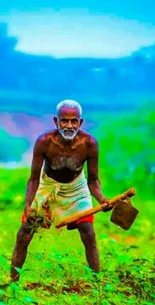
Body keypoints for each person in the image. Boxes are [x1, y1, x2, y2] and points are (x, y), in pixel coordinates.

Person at [11, 99, 110, 282]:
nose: (69, 125)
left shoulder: (90, 144)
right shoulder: (44, 142)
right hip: (47, 185)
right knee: (24, 231)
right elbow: (33, 179)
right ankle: (13, 283)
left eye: (74, 121)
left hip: (76, 187)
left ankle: (98, 286)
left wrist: (102, 199)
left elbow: (93, 180)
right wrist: (28, 205)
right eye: (64, 121)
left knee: (88, 231)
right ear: (56, 122)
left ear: (80, 123)